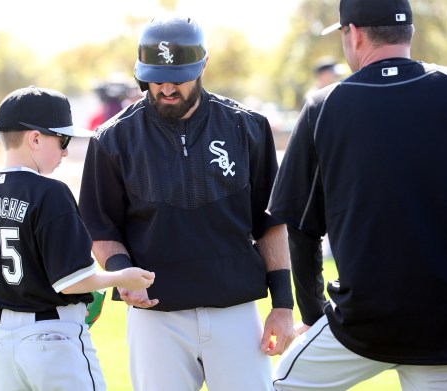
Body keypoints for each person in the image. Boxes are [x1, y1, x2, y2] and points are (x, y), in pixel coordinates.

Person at [78, 15, 294, 391]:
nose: (165, 88)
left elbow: (271, 222)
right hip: (155, 317)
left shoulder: (248, 127)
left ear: (203, 65)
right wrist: (122, 271)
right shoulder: (112, 139)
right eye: (155, 78)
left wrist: (283, 305)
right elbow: (100, 226)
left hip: (237, 314)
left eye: (178, 78)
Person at [268, 0, 447, 390]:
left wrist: (312, 315)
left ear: (355, 33)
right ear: (408, 31)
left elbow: (299, 227)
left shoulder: (324, 105)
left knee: (282, 386)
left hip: (361, 324)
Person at [0, 86, 156, 391]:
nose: (66, 151)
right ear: (35, 138)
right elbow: (71, 281)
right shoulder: (51, 191)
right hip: (54, 339)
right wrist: (121, 277)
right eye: (62, 140)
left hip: (2, 345)